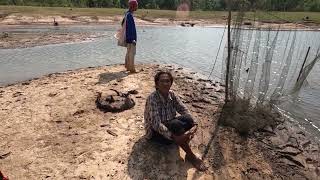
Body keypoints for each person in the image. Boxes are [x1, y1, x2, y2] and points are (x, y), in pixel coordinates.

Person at [144, 71, 207, 171]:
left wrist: (194, 124)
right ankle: (191, 156)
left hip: (171, 124)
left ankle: (181, 138)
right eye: (162, 81)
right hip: (155, 133)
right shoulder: (152, 99)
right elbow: (156, 124)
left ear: (171, 83)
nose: (165, 84)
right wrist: (173, 136)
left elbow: (183, 109)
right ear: (156, 84)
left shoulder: (172, 94)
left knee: (188, 119)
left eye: (168, 81)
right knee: (176, 125)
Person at [124, 0, 138, 73]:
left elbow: (123, 24)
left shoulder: (127, 13)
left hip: (128, 37)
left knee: (128, 52)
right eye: (136, 5)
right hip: (131, 38)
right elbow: (130, 28)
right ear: (133, 6)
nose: (137, 7)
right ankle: (132, 69)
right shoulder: (129, 15)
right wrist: (133, 39)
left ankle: (127, 67)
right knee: (132, 53)